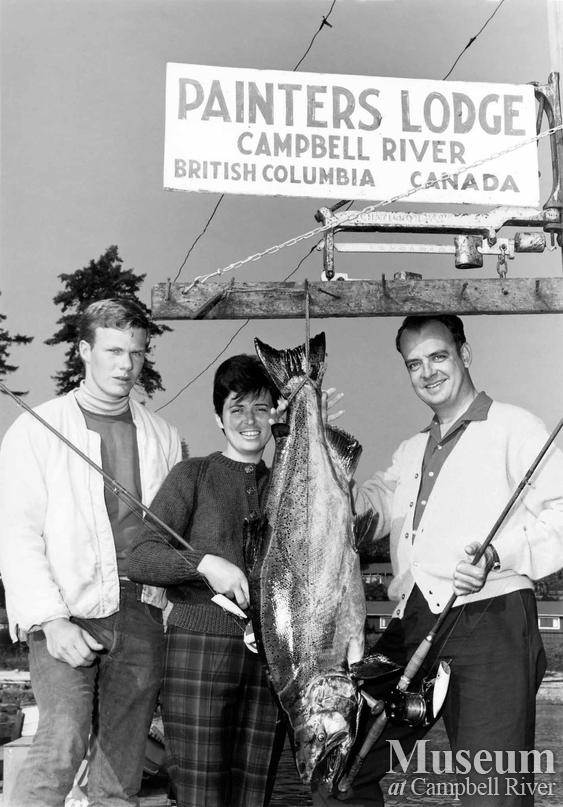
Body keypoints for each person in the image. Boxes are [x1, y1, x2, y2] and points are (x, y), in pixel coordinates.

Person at [313, 314, 563, 807]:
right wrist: (315, 441)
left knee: (493, 794)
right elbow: (361, 517)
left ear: (464, 354)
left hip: (494, 620)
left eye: (438, 356)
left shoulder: (517, 426)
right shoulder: (408, 451)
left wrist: (499, 552)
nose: (427, 372)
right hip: (414, 625)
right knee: (337, 771)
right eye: (413, 364)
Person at [0, 298, 182, 807]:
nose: (127, 365)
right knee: (61, 742)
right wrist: (51, 620)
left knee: (121, 770)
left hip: (142, 612)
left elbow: (168, 538)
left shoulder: (163, 435)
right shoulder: (37, 429)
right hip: (68, 610)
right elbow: (16, 533)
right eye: (114, 350)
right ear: (84, 350)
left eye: (138, 352)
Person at [126, 354, 286, 807]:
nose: (249, 420)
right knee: (199, 793)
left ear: (275, 414)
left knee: (253, 793)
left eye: (260, 407)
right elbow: (142, 557)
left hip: (268, 659)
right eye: (237, 409)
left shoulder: (286, 484)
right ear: (219, 418)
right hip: (198, 649)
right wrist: (204, 564)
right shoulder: (192, 474)